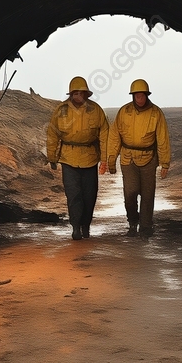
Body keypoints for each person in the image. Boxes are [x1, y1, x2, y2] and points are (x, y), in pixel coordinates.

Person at [44, 76, 111, 240]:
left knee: (89, 195)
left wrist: (105, 159)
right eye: (75, 93)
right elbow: (52, 135)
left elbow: (104, 135)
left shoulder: (96, 111)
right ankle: (75, 227)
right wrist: (52, 157)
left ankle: (86, 225)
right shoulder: (61, 111)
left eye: (81, 93)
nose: (78, 96)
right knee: (73, 195)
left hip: (89, 159)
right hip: (68, 159)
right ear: (71, 94)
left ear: (86, 94)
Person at [105, 78, 170, 238]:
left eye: (142, 95)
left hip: (149, 158)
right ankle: (133, 220)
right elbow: (114, 136)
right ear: (132, 96)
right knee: (130, 193)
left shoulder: (156, 113)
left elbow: (162, 138)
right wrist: (111, 160)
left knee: (148, 195)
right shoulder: (124, 112)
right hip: (128, 159)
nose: (139, 98)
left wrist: (165, 163)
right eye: (136, 95)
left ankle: (146, 227)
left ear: (147, 95)